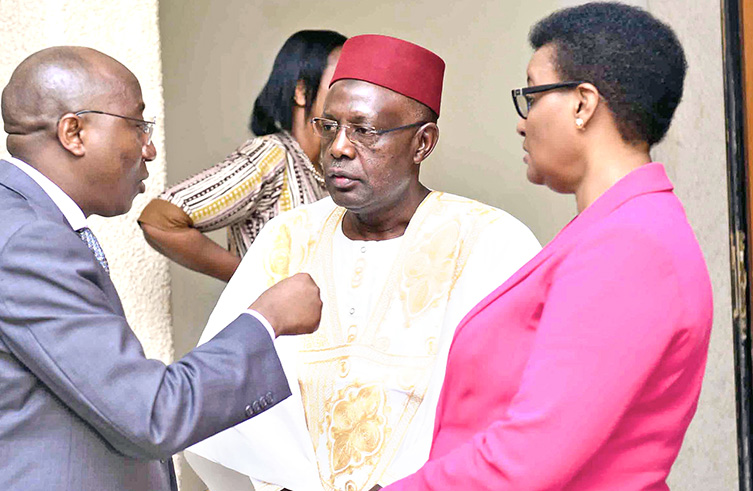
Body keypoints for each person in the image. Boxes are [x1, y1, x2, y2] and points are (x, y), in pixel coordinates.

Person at [0, 46, 323, 491]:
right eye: (137, 125)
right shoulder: (28, 243)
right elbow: (150, 412)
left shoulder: (18, 221)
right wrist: (265, 319)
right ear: (74, 132)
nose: (150, 149)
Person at [184, 35, 542, 491]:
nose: (338, 148)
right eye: (329, 127)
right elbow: (221, 390)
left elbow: (516, 412)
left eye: (364, 130)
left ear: (422, 142)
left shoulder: (492, 243)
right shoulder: (287, 239)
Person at [383, 3, 712, 490]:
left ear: (583, 104)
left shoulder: (630, 247)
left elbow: (526, 459)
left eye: (532, 95)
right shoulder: (614, 229)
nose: (522, 122)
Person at [138, 30, 347, 282]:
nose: (352, 92)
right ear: (301, 91)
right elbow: (160, 219)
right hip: (273, 321)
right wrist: (251, 281)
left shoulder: (327, 167)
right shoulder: (272, 155)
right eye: (341, 82)